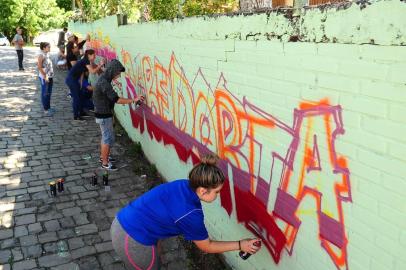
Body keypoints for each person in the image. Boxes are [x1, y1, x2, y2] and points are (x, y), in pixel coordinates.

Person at [111, 154, 262, 270]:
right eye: (217, 191)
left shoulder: (184, 185)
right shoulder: (191, 214)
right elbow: (206, 246)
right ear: (203, 191)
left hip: (122, 222)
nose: (218, 195)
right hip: (132, 239)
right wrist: (240, 245)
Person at [93, 59, 144, 171]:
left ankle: (103, 157)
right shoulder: (104, 83)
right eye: (118, 73)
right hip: (103, 115)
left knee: (107, 137)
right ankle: (105, 163)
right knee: (107, 138)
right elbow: (117, 99)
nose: (119, 75)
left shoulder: (104, 79)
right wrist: (133, 100)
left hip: (104, 113)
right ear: (112, 71)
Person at [65, 49, 104, 120]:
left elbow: (82, 72)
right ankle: (76, 116)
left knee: (80, 96)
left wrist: (81, 82)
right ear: (89, 55)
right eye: (94, 55)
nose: (95, 56)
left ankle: (81, 112)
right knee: (76, 98)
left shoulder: (87, 61)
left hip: (75, 80)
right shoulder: (86, 60)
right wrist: (100, 65)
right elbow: (92, 71)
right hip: (71, 80)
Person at [37, 42, 55, 116]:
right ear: (44, 48)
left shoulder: (47, 54)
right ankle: (45, 109)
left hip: (50, 76)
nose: (50, 48)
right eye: (48, 47)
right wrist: (45, 76)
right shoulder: (41, 55)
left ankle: (48, 107)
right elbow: (39, 67)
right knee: (45, 93)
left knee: (49, 93)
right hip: (44, 77)